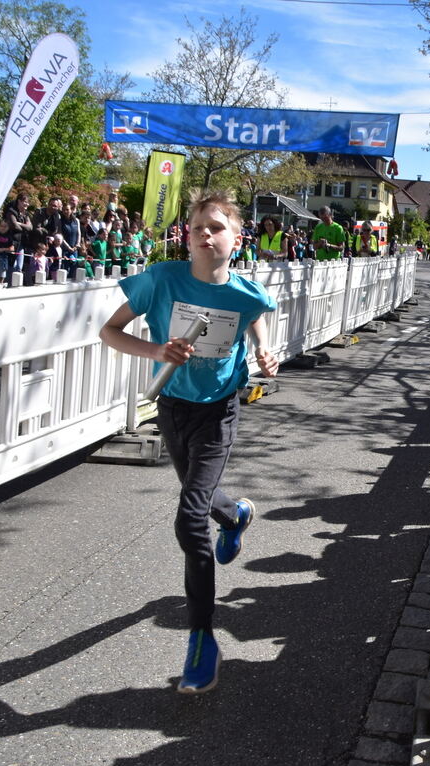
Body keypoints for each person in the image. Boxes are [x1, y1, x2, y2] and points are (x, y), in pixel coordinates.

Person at [99, 189, 279, 695]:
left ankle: (202, 637)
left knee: (188, 515)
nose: (206, 233)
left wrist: (265, 351)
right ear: (187, 235)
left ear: (236, 240)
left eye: (217, 227)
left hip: (219, 410)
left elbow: (255, 314)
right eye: (198, 226)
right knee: (201, 498)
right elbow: (109, 331)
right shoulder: (160, 279)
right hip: (172, 406)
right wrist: (158, 348)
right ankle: (236, 514)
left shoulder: (246, 293)